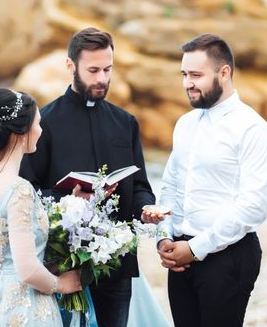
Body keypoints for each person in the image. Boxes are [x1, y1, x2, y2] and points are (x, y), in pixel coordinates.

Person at [20, 27, 162, 327]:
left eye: (108, 69)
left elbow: (139, 187)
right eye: (93, 70)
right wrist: (66, 199)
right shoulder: (44, 123)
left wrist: (147, 209)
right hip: (63, 264)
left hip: (117, 264)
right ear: (71, 66)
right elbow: (25, 193)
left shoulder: (126, 123)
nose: (101, 78)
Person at [147, 34, 267, 327]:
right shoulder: (184, 124)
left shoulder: (252, 129)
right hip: (180, 256)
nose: (187, 83)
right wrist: (164, 237)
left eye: (196, 75)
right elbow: (171, 185)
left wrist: (195, 249)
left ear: (224, 72)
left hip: (228, 257)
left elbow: (253, 206)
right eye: (184, 74)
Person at [0, 88, 82, 326]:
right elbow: (26, 271)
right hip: (24, 307)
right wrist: (61, 284)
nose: (40, 130)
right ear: (20, 133)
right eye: (38, 123)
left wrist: (48, 265)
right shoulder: (20, 190)